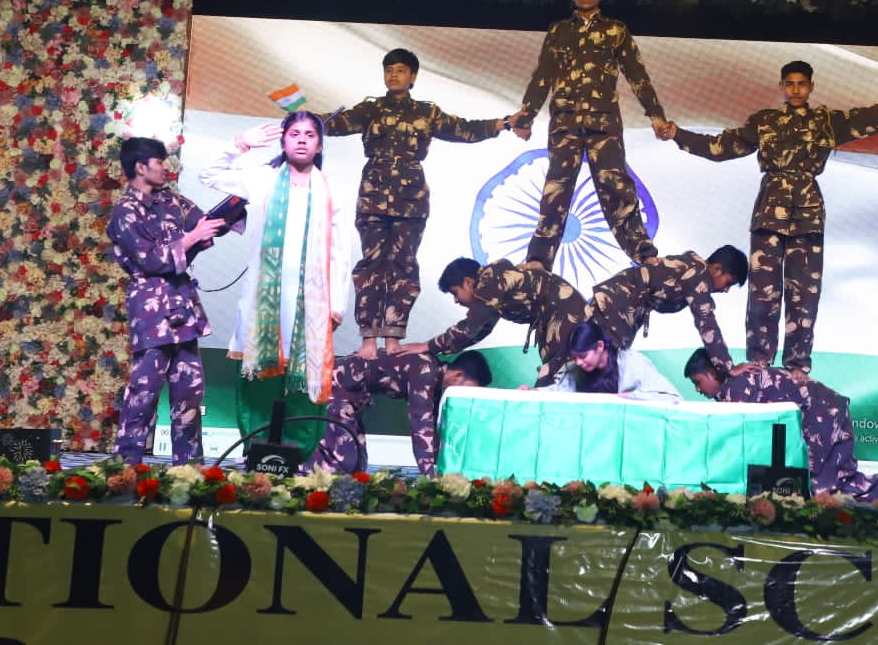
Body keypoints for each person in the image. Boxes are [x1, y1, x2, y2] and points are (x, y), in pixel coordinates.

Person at [662, 61, 878, 374]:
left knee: (804, 295)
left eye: (802, 84)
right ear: (782, 86)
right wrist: (677, 134)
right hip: (769, 214)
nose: (796, 90)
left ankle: (797, 367)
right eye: (790, 83)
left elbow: (872, 117)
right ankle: (759, 363)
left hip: (808, 215)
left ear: (811, 87)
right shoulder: (764, 122)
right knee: (762, 294)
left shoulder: (826, 122)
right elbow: (720, 148)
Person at [323, 48, 517, 360]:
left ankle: (393, 336)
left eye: (400, 70)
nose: (393, 75)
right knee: (371, 266)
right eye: (389, 70)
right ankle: (368, 339)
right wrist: (300, 118)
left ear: (412, 76)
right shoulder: (370, 109)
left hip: (411, 202)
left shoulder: (427, 112)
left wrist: (504, 123)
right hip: (373, 198)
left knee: (404, 266)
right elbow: (333, 124)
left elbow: (464, 129)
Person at [198, 111, 350, 457]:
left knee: (304, 383)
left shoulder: (332, 191)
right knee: (259, 382)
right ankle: (258, 452)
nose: (301, 140)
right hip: (264, 303)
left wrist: (337, 307)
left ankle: (296, 456)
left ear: (319, 145)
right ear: (283, 141)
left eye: (309, 135)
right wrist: (240, 144)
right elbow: (208, 174)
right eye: (294, 134)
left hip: (311, 305)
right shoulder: (262, 179)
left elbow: (340, 254)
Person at [512, 0, 671, 271]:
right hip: (565, 122)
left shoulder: (615, 30)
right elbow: (543, 74)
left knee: (617, 187)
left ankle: (644, 254)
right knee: (556, 190)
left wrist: (656, 115)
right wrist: (526, 115)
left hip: (603, 123)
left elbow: (637, 74)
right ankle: (538, 260)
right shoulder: (559, 30)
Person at [106, 136, 224, 465]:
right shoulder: (125, 212)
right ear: (141, 167)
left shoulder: (171, 201)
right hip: (151, 310)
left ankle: (189, 469)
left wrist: (229, 210)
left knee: (190, 391)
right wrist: (191, 238)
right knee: (144, 391)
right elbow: (151, 260)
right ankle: (126, 467)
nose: (164, 168)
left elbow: (203, 224)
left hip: (182, 305)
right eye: (159, 162)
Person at [685, 348, 878, 501]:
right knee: (836, 483)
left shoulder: (735, 388)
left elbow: (742, 446)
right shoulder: (735, 386)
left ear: (713, 372)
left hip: (819, 417)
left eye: (698, 381)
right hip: (831, 411)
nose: (697, 390)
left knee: (809, 487)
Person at [395, 257, 588, 387]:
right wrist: (435, 348)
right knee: (557, 378)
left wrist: (427, 346)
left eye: (455, 292)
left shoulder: (489, 283)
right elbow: (480, 331)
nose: (455, 300)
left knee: (552, 380)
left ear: (468, 282)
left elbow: (469, 328)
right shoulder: (492, 289)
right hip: (557, 318)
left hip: (564, 317)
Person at [307, 350, 493, 475]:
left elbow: (433, 430)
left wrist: (442, 468)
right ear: (458, 375)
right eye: (468, 388)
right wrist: (430, 477)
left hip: (349, 397)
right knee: (344, 458)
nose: (465, 396)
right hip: (333, 386)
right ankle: (311, 494)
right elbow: (420, 426)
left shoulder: (435, 382)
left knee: (358, 461)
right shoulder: (427, 370)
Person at [579, 245, 748, 378]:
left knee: (597, 363)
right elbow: (707, 323)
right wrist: (728, 367)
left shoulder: (692, 266)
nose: (726, 290)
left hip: (615, 304)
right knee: (599, 366)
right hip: (616, 307)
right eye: (728, 283)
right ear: (717, 269)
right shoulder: (698, 276)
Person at [541, 322, 680, 401]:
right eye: (574, 357)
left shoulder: (632, 362)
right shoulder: (576, 370)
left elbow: (670, 397)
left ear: (600, 346)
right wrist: (532, 392)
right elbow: (558, 392)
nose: (578, 362)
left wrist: (617, 398)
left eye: (583, 356)